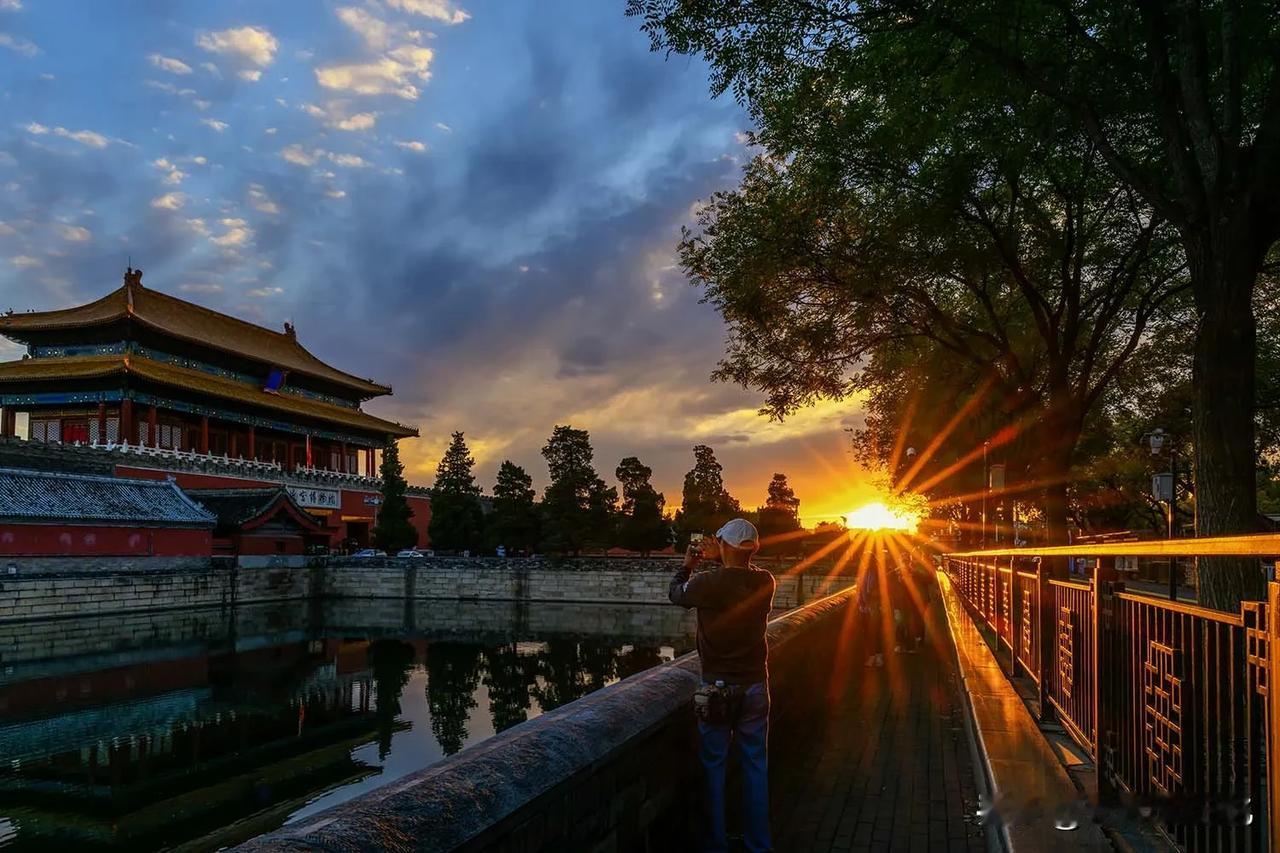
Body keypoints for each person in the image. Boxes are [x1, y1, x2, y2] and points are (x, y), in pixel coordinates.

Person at [669, 518, 776, 853]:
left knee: (714, 767)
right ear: (753, 549)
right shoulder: (765, 581)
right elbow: (739, 576)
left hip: (717, 687)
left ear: (725, 545)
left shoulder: (707, 581)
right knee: (755, 766)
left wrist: (688, 565)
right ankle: (759, 845)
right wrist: (724, 557)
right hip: (756, 684)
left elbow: (677, 595)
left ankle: (716, 844)